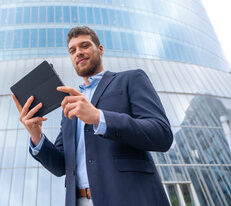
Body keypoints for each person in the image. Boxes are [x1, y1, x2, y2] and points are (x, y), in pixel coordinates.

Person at [12, 26, 173, 206]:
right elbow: (60, 166)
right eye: (72, 50)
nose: (78, 52)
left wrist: (99, 117)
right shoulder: (69, 105)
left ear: (100, 49)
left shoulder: (131, 79)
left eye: (85, 46)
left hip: (129, 197)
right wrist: (36, 135)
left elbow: (162, 134)